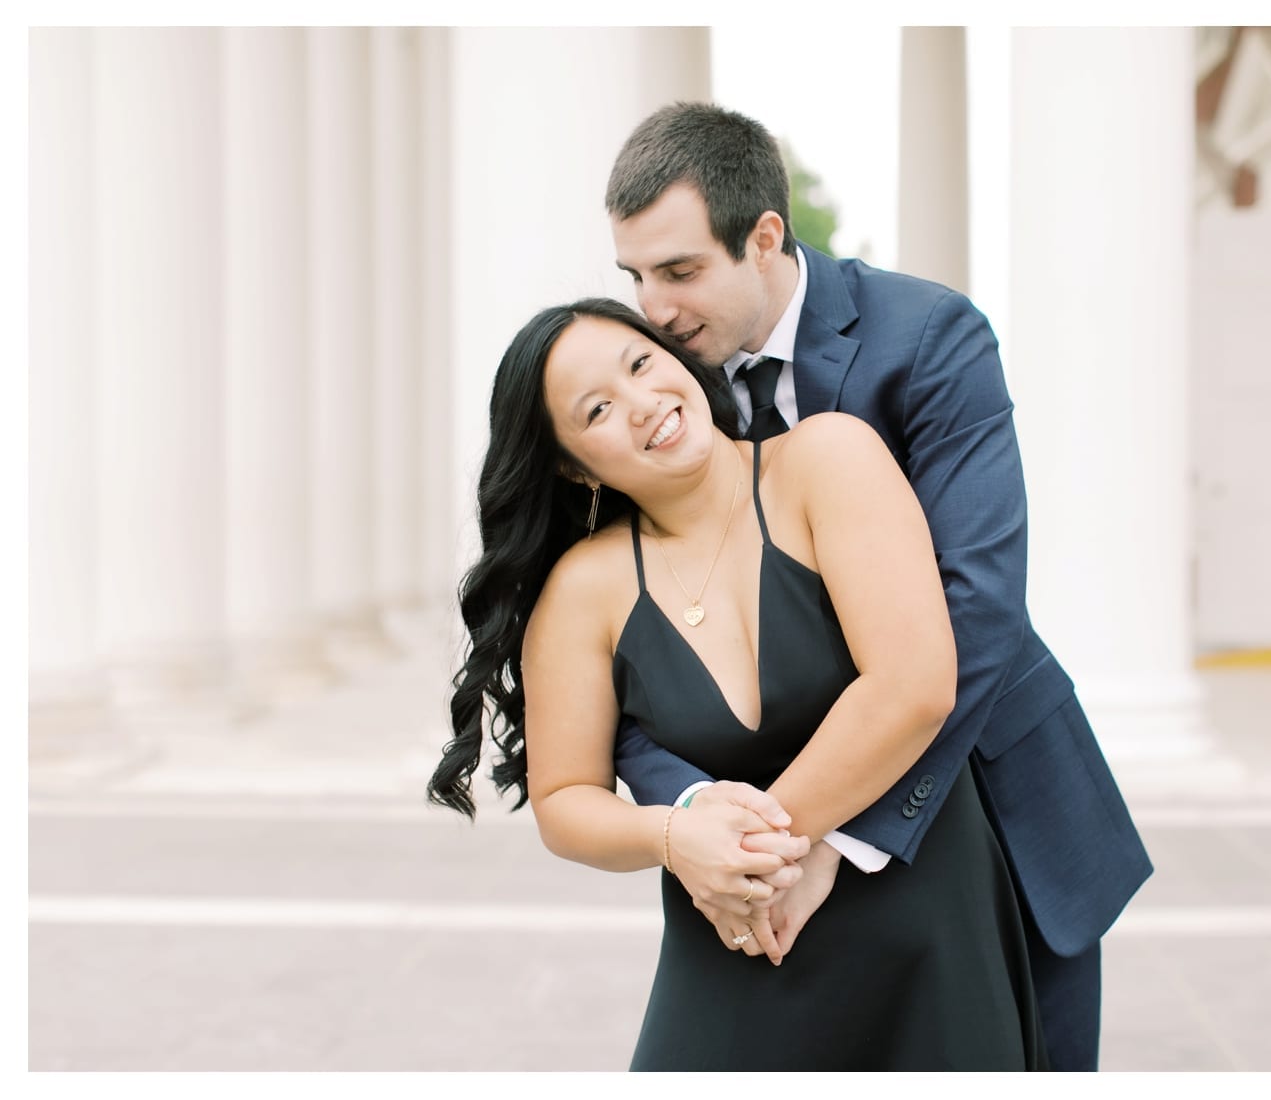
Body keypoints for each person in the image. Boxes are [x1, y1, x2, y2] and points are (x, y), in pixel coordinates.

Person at [604, 101, 1153, 1072]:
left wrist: (827, 828)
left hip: (989, 797)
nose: (652, 308)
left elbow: (975, 602)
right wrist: (706, 821)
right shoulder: (652, 391)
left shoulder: (929, 336)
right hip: (761, 837)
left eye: (680, 271)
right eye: (634, 275)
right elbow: (633, 639)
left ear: (764, 235)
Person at [428, 295, 1049, 1070]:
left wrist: (760, 857)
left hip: (918, 909)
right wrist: (679, 837)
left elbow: (915, 684)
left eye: (641, 363)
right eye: (597, 410)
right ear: (570, 464)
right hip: (735, 935)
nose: (644, 404)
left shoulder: (828, 459)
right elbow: (564, 803)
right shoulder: (581, 592)